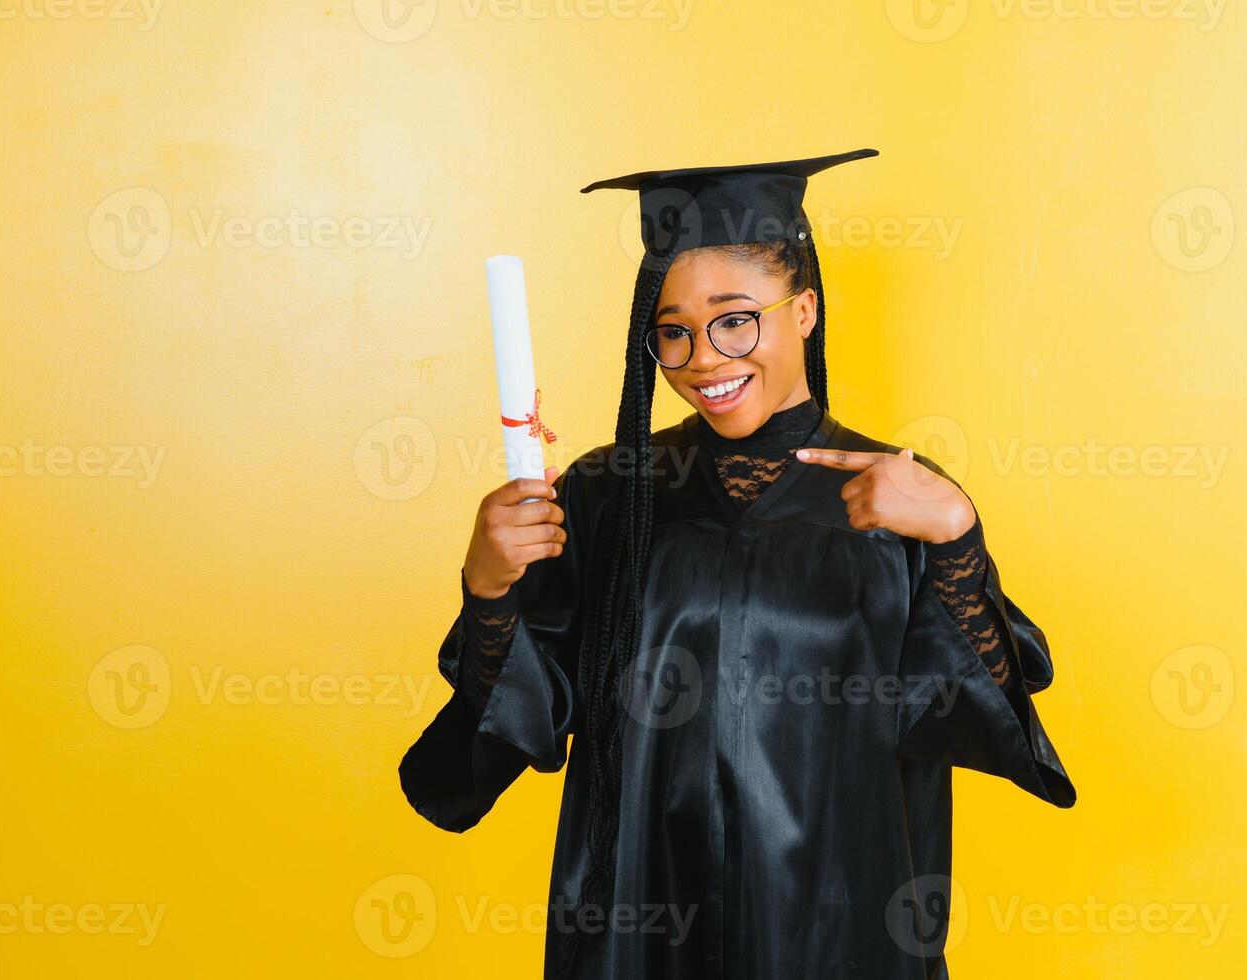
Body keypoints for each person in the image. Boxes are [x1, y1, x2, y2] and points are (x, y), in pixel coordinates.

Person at [399, 148, 1076, 979]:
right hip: (642, 934)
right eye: (673, 334)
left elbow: (985, 712)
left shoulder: (898, 501)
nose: (705, 360)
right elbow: (506, 730)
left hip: (839, 932)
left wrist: (957, 537)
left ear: (805, 311)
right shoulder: (612, 496)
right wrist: (490, 586)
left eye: (734, 318)